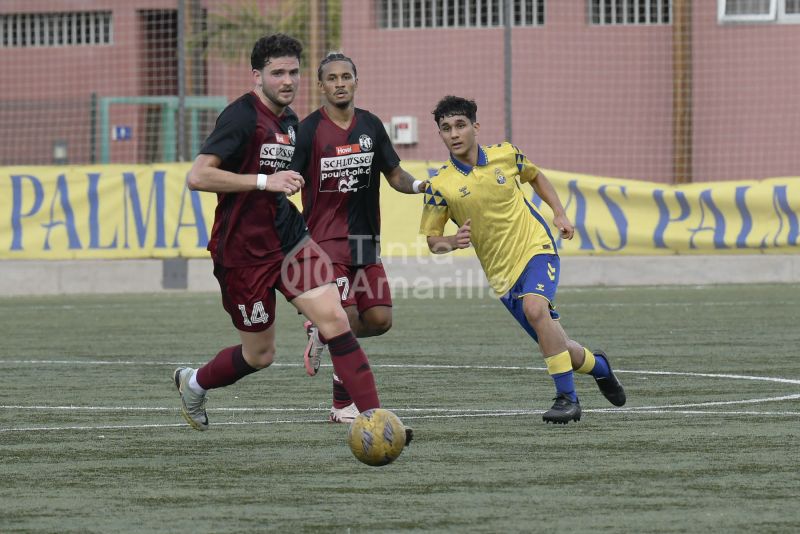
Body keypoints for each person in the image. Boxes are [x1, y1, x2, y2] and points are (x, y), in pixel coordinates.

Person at [172, 34, 382, 431]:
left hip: (289, 242)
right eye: (278, 72)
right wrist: (265, 183)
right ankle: (194, 382)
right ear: (257, 75)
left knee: (336, 320)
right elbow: (198, 176)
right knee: (259, 355)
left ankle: (373, 417)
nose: (288, 81)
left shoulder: (288, 119)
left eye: (294, 72)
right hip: (242, 254)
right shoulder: (241, 117)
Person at [420, 96, 626, 424]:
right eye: (446, 129)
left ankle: (567, 400)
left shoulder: (506, 154)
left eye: (460, 126)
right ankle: (599, 367)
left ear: (476, 127)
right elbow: (433, 242)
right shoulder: (439, 185)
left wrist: (559, 213)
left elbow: (536, 176)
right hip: (502, 277)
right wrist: (451, 241)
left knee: (535, 308)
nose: (454, 134)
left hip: (536, 248)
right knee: (558, 346)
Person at [289, 52, 426, 423]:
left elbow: (394, 174)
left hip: (365, 241)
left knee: (380, 319)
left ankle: (321, 332)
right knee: (344, 319)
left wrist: (421, 185)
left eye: (345, 76)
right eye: (331, 78)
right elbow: (288, 179)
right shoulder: (308, 131)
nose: (339, 83)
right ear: (321, 86)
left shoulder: (371, 125)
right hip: (324, 243)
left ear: (355, 81)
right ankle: (340, 405)